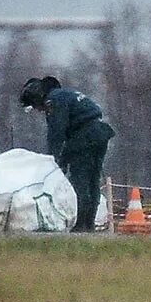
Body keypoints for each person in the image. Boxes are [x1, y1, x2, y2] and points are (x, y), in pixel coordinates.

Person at [19, 76, 115, 232]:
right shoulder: (65, 94)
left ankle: (81, 224)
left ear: (37, 97)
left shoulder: (53, 100)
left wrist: (54, 160)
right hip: (100, 133)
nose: (39, 111)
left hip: (84, 137)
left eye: (36, 107)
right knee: (93, 181)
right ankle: (89, 223)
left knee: (80, 180)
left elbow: (57, 132)